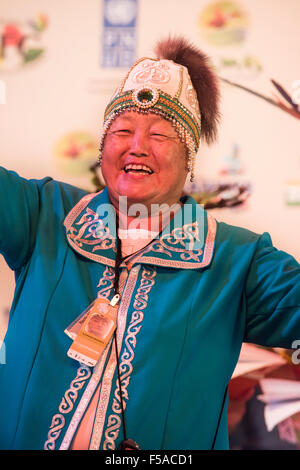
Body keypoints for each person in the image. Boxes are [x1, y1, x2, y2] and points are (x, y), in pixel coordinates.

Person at [0, 36, 299, 451]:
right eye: (121, 130)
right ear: (103, 145)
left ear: (189, 157)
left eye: (160, 135)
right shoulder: (44, 215)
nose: (136, 146)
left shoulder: (236, 260)